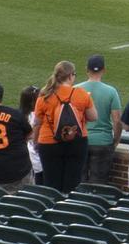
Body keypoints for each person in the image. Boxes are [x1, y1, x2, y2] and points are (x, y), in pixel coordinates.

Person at [32, 60, 93, 192]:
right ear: (70, 76)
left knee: (51, 184)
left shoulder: (45, 95)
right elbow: (93, 117)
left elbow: (37, 122)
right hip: (76, 140)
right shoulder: (81, 93)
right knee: (72, 184)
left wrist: (35, 141)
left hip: (48, 142)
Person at [80, 55, 122, 186]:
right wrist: (116, 140)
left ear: (87, 69)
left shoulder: (75, 90)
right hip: (103, 142)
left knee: (78, 182)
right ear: (104, 70)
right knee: (98, 185)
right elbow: (117, 120)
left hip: (80, 140)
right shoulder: (111, 91)